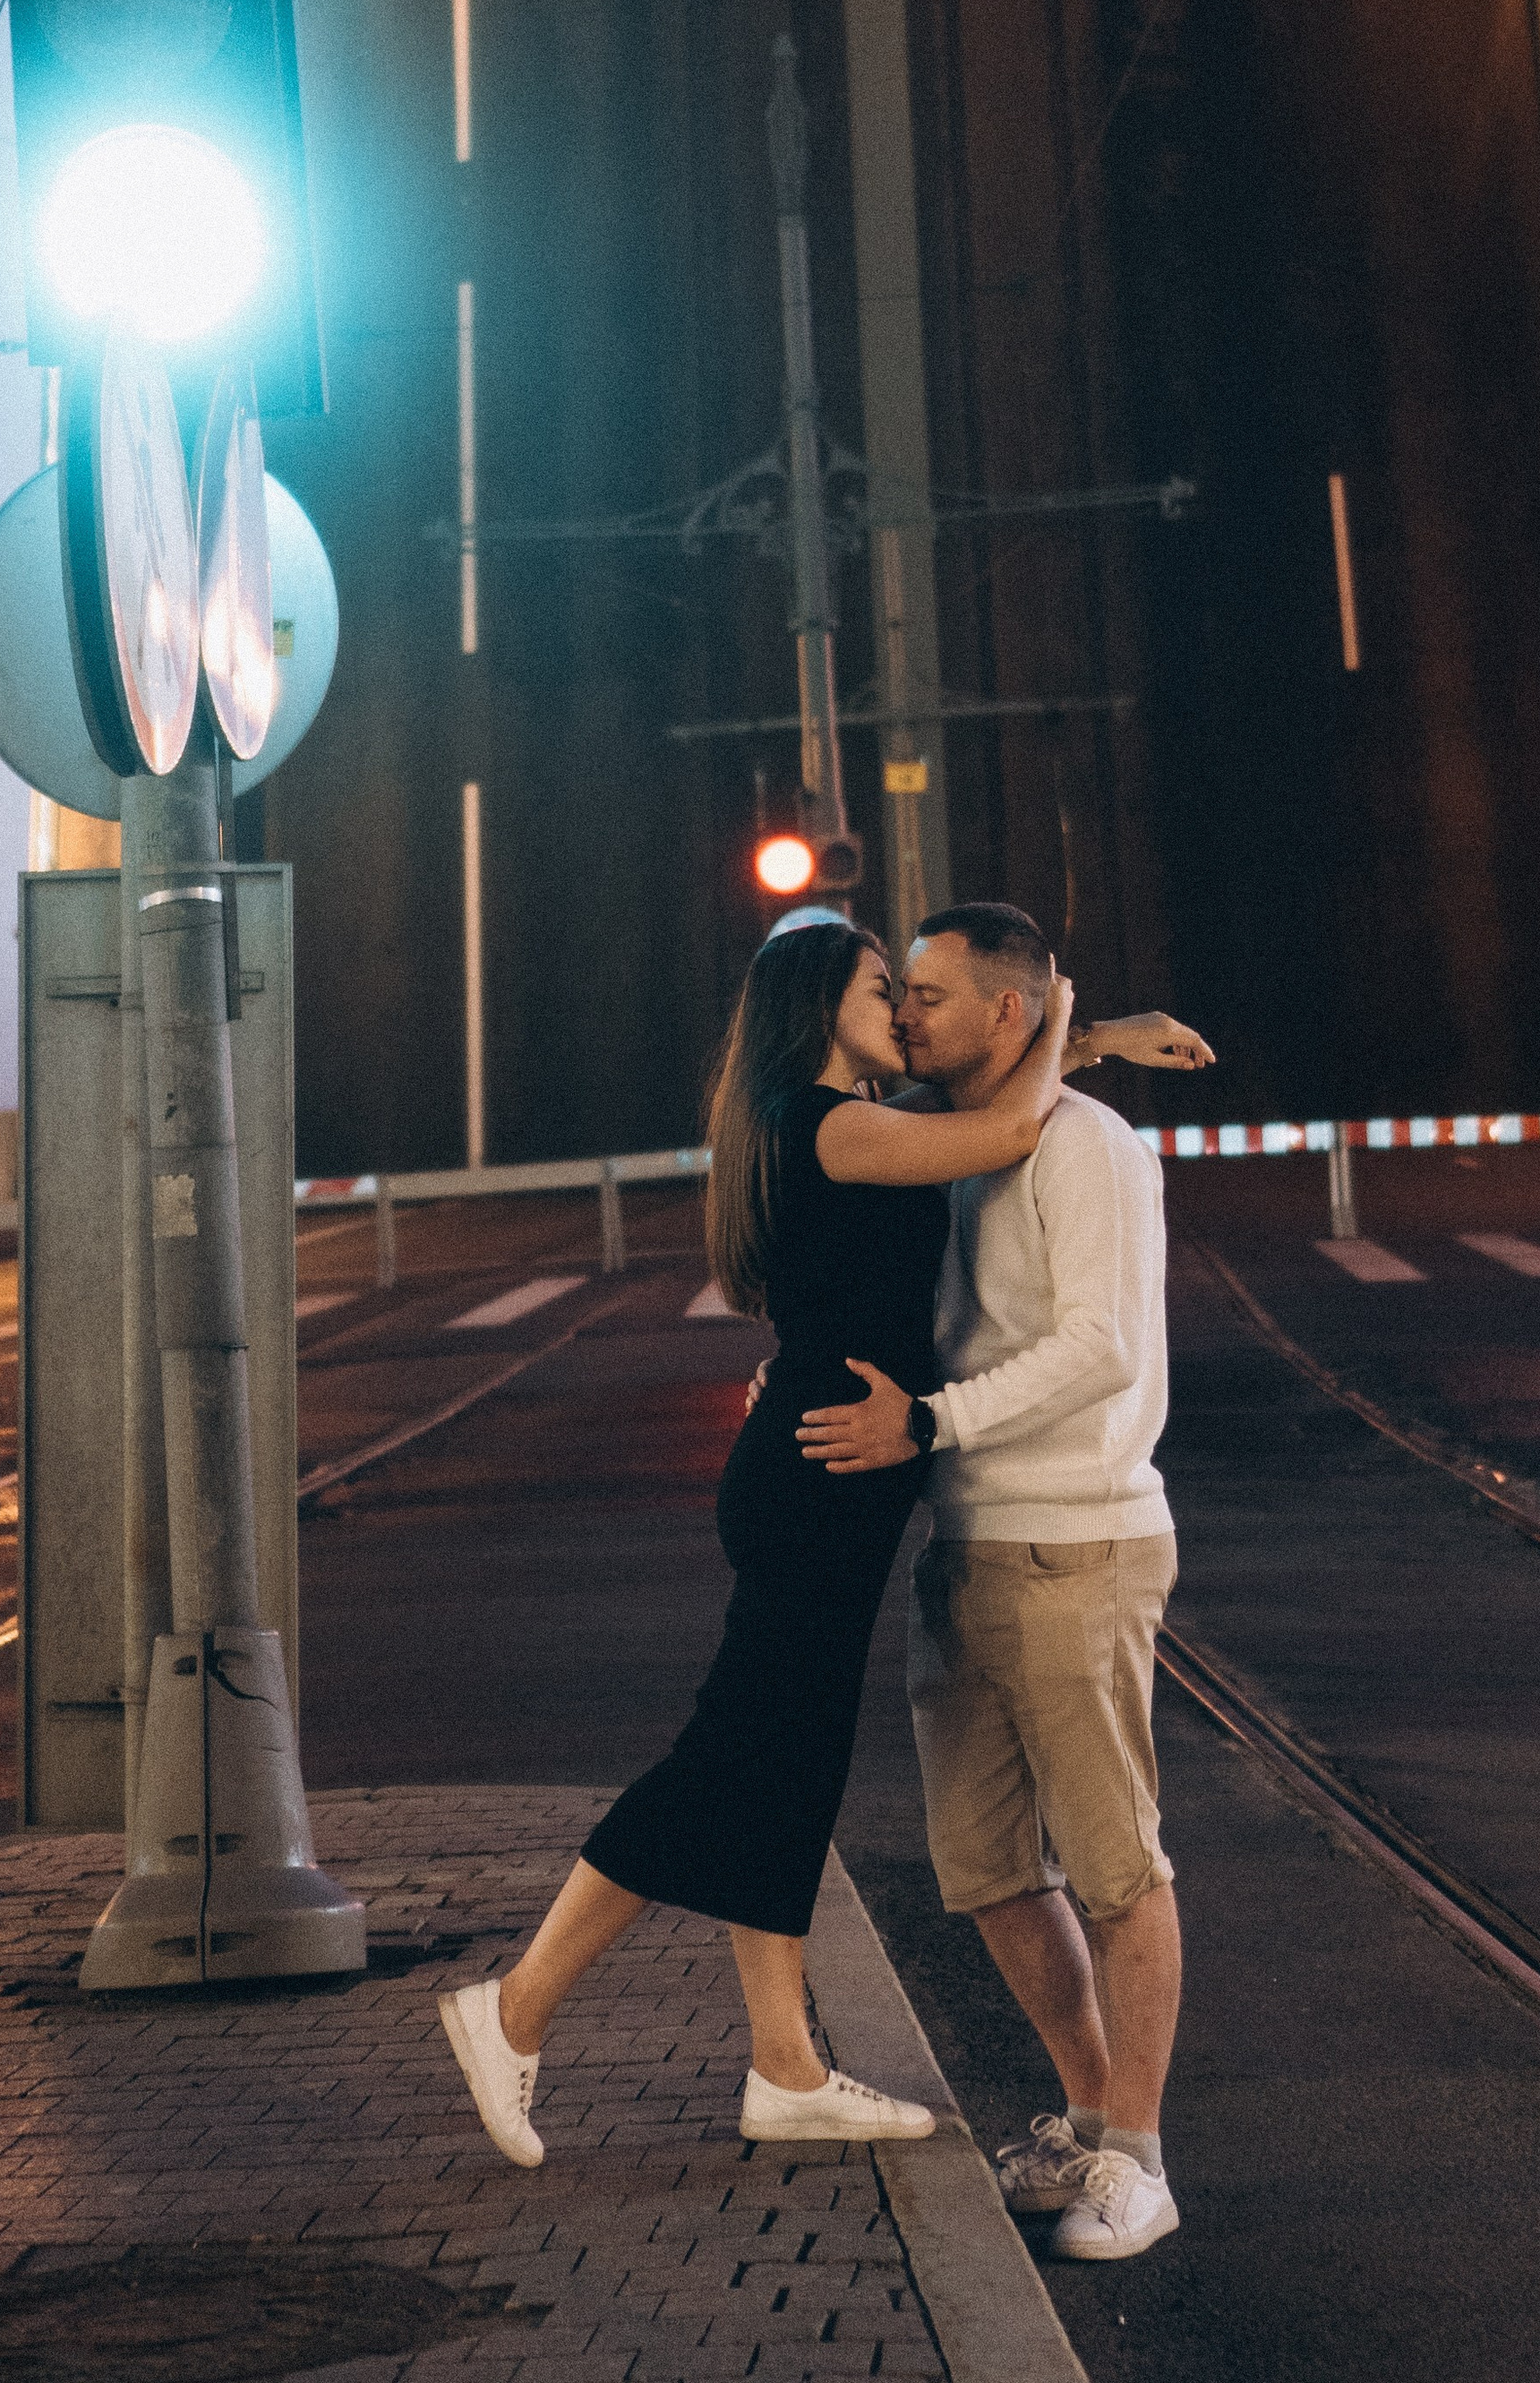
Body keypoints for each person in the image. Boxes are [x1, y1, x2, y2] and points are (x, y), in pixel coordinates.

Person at [438, 916, 1074, 2164]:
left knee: (787, 1764)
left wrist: (1093, 1037)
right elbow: (1007, 1130)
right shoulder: (826, 1123)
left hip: (821, 1468)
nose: (903, 1012)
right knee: (731, 1756)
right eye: (882, 990)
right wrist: (1053, 1006)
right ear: (816, 1003)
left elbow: (980, 1102)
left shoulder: (823, 1118)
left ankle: (786, 2068)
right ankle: (513, 2008)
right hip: (818, 1477)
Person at [798, 903, 1191, 2265]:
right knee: (985, 1872)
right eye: (898, 993)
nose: (904, 1015)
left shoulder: (1086, 1148)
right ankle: (1086, 2115)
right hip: (961, 1543)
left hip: (1078, 1540)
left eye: (929, 995)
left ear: (1009, 1012)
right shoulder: (949, 1137)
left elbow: (1100, 1348)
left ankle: (1140, 2159)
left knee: (1118, 1868)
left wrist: (931, 1422)